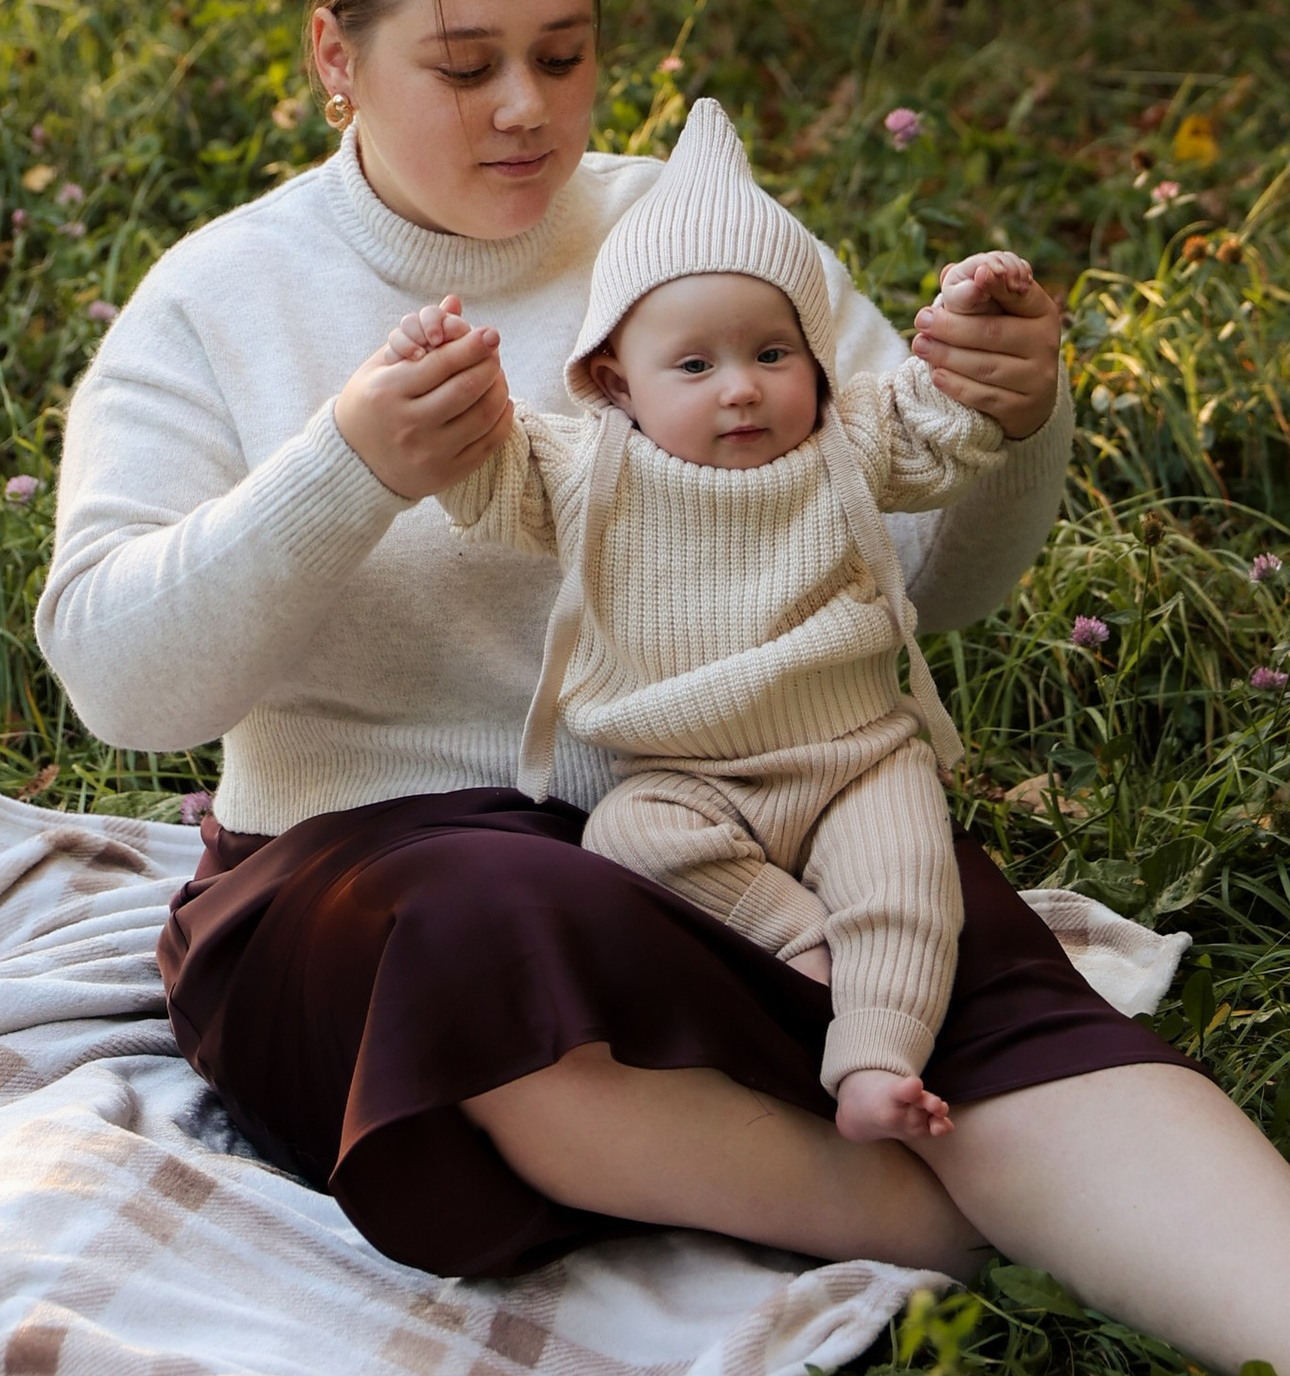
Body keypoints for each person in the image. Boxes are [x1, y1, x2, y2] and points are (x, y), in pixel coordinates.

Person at [38, 0, 1290, 1376]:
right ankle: (961, 1221)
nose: (527, 113)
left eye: (565, 56)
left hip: (736, 800)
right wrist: (345, 468)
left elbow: (932, 579)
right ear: (335, 57)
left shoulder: (692, 238)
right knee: (478, 930)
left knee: (955, 950)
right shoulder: (222, 298)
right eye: (463, 67)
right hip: (379, 871)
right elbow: (117, 679)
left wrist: (1005, 423)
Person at [394, 91, 1050, 1142]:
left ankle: (877, 1060)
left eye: (771, 355)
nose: (740, 390)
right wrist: (444, 384)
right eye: (694, 366)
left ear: (814, 359)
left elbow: (947, 424)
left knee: (909, 882)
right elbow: (487, 481)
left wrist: (978, 319)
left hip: (852, 753)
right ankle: (795, 939)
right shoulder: (587, 464)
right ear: (616, 380)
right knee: (622, 839)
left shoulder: (847, 440)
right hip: (681, 776)